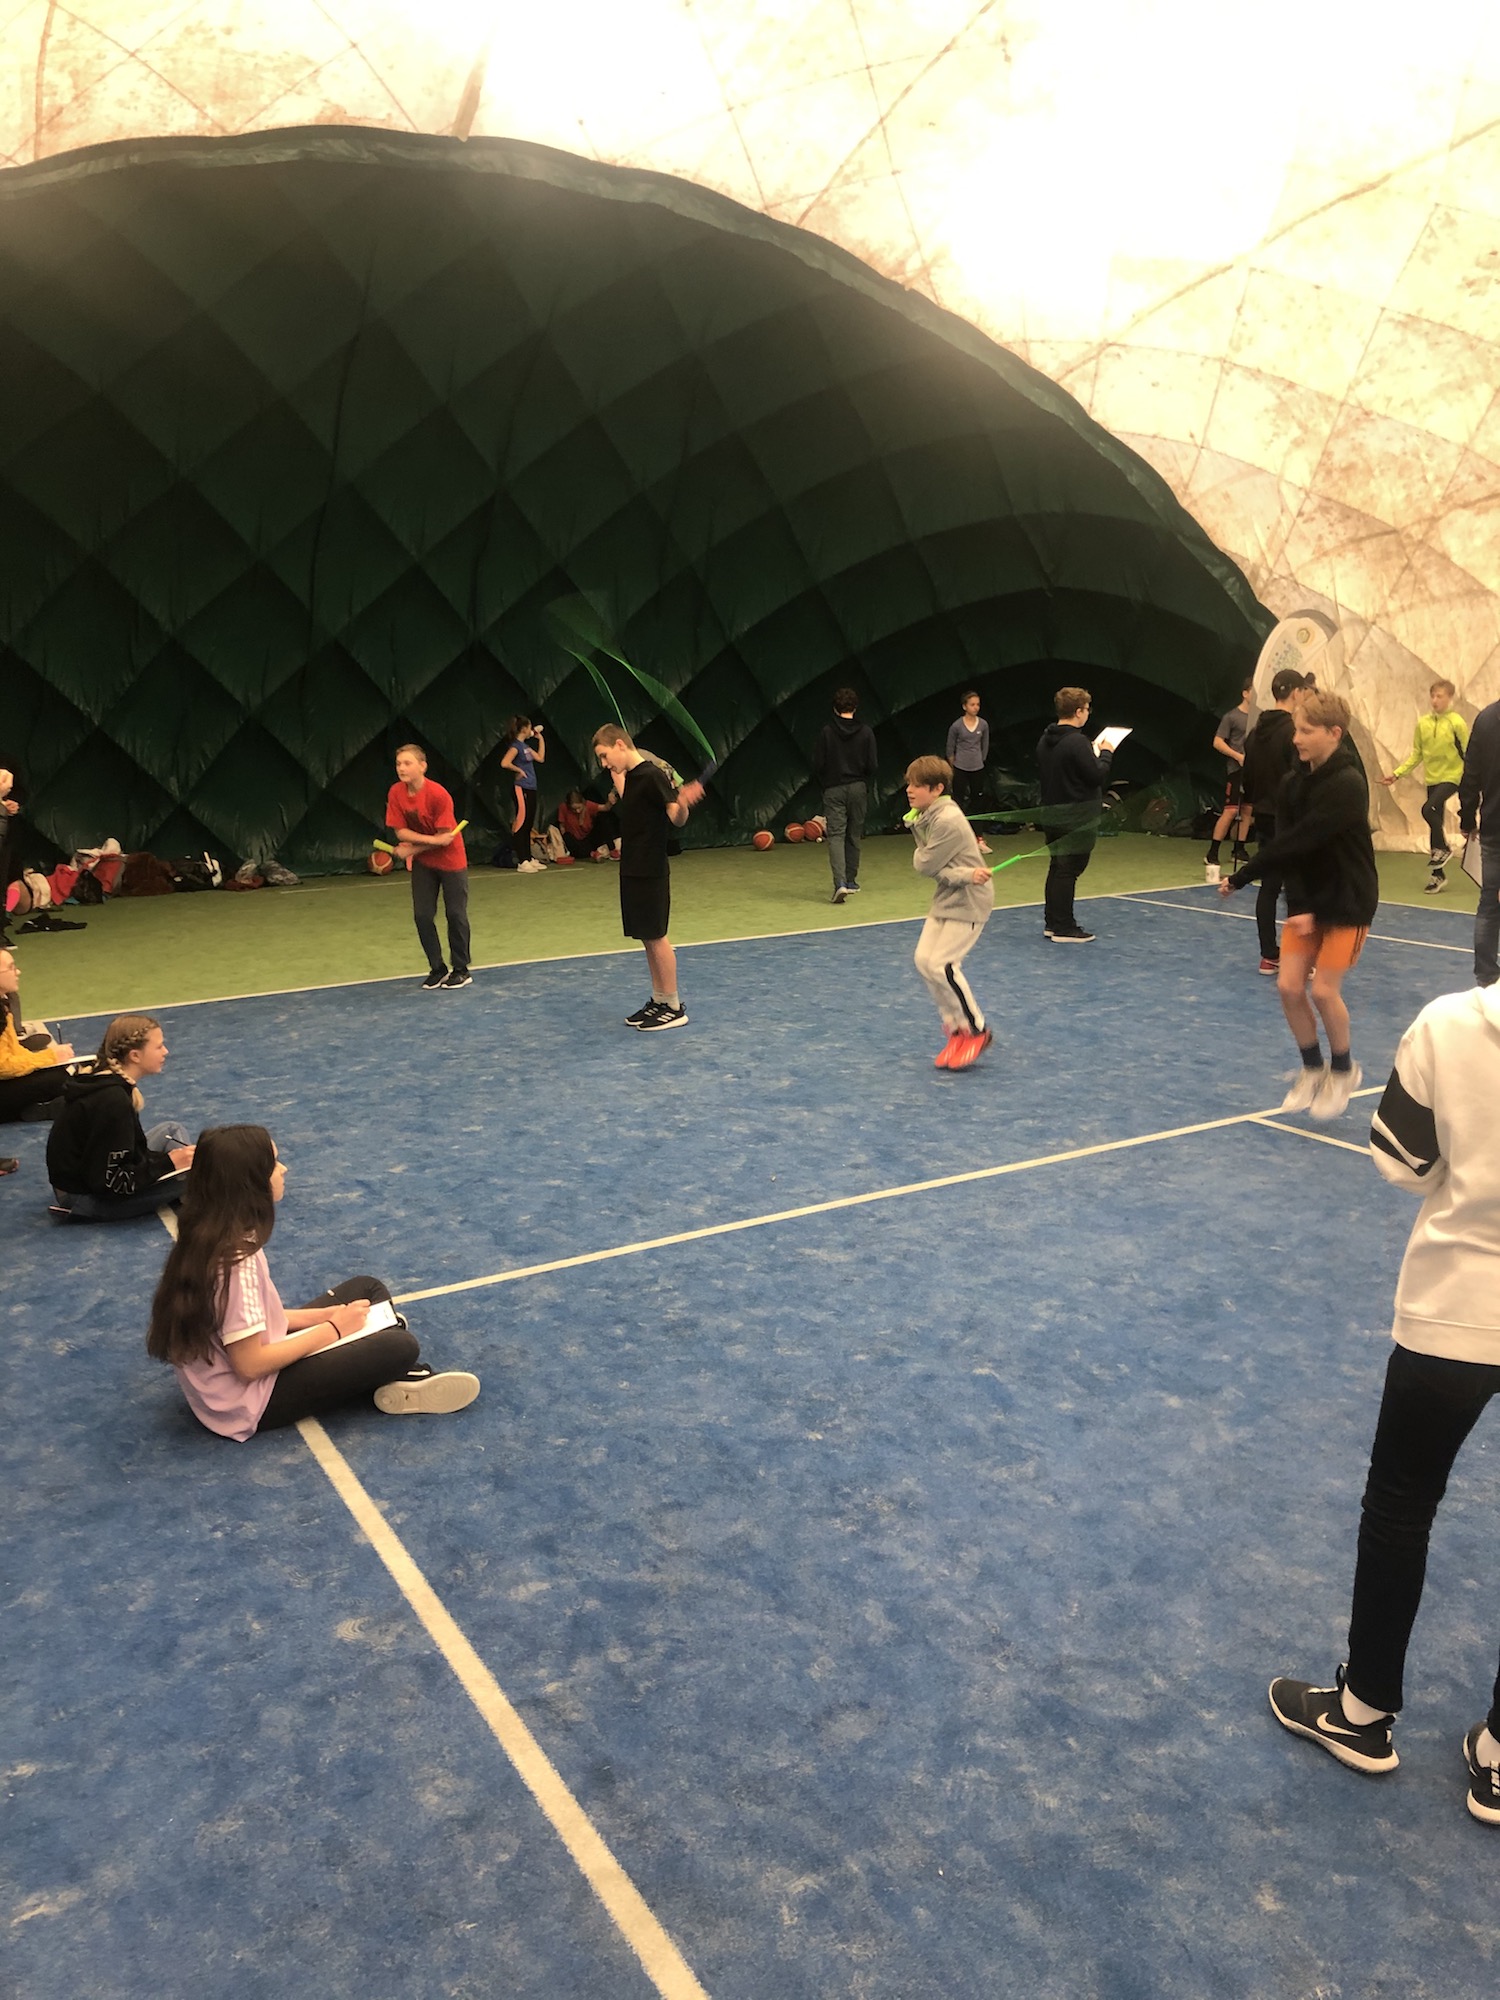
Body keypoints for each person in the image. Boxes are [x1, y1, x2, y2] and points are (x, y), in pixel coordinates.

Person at [1268, 980, 1500, 1823]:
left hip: (1456, 1307)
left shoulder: (1450, 1023)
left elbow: (1404, 1165)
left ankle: (1363, 1711)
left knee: (1401, 1504)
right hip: (1456, 1312)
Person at [145, 1125, 479, 1440]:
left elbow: (256, 1319)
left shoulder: (211, 1235)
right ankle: (397, 1370)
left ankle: (381, 1356)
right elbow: (249, 1365)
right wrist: (334, 1330)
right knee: (401, 1347)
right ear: (250, 1184)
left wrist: (325, 1316)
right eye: (274, 1164)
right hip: (249, 1403)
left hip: (224, 1391)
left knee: (368, 1288)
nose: (284, 1170)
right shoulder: (236, 1264)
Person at [1221, 689, 1378, 1120]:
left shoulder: (1348, 785)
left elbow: (1302, 841)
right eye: (1297, 730)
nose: (1296, 738)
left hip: (1347, 899)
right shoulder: (1292, 783)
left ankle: (1343, 1071)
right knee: (1289, 987)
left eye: (1307, 731)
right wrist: (1300, 906)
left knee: (1324, 990)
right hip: (1309, 899)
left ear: (1334, 733)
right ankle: (1312, 1069)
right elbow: (1288, 848)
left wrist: (1243, 875)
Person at [591, 723, 703, 1030]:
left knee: (657, 937)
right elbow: (626, 791)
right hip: (632, 868)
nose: (604, 764)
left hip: (651, 868)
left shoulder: (652, 775)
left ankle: (674, 1006)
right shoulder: (632, 777)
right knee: (646, 937)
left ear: (619, 745)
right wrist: (616, 771)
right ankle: (659, 999)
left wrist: (683, 802)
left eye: (604, 756)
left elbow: (676, 818)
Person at [46, 1014, 194, 1219]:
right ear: (135, 1055)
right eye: (159, 1046)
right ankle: (195, 1192)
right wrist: (168, 1163)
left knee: (171, 1130)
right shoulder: (114, 1102)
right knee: (200, 1175)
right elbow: (112, 1184)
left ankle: (190, 1187)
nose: (166, 1051)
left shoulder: (103, 1078)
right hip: (88, 1198)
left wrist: (172, 1160)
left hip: (80, 1180)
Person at [905, 756, 994, 1068]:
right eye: (909, 784)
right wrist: (963, 874)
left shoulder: (947, 821)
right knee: (923, 961)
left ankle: (978, 1030)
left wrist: (963, 876)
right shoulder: (925, 815)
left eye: (917, 785)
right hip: (949, 893)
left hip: (970, 899)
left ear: (937, 789)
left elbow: (925, 864)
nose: (910, 790)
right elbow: (933, 867)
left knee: (942, 965)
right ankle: (957, 1029)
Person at [1238, 668, 1309, 973]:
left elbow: (1248, 779)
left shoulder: (1255, 733)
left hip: (1264, 816)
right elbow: (1300, 776)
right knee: (1300, 887)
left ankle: (1269, 954)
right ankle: (1301, 960)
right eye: (1303, 690)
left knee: (1269, 886)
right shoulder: (1294, 733)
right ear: (1296, 692)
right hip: (1290, 820)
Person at [386, 744, 471, 991]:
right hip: (425, 864)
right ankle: (437, 969)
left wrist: (412, 849)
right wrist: (428, 842)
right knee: (422, 915)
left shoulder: (438, 795)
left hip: (452, 862)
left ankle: (461, 970)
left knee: (455, 914)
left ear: (422, 766)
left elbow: (445, 840)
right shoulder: (396, 792)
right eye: (399, 763)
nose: (401, 768)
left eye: (407, 763)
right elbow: (401, 832)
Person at [1036, 687, 1114, 943]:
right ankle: (1063, 927)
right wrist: (1106, 753)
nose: (1088, 714)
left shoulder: (1045, 739)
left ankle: (1053, 922)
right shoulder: (1077, 742)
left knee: (1058, 867)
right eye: (1087, 709)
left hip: (1052, 814)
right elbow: (1096, 775)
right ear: (1079, 711)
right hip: (1076, 817)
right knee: (1068, 870)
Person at [1379, 679, 1469, 894]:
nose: (1435, 700)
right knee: (1434, 822)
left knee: (1428, 809)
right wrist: (1396, 774)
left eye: (1440, 696)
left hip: (1453, 777)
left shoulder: (1457, 723)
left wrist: (1474, 779)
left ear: (1449, 698)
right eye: (1433, 696)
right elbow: (1417, 754)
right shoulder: (1423, 724)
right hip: (1432, 779)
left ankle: (1444, 848)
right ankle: (1438, 875)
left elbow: (1468, 752)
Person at [812, 688, 878, 904]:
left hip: (833, 789)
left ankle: (839, 883)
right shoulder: (866, 732)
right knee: (854, 834)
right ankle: (851, 881)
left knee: (836, 836)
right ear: (855, 707)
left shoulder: (826, 732)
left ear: (834, 708)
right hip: (858, 788)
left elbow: (818, 764)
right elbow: (872, 765)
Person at [0, 947, 77, 1122]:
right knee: (58, 1079)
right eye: (11, 968)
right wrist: (49, 1057)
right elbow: (3, 1066)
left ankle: (32, 1108)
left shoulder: (3, 1002)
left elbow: (11, 1052)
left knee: (56, 1073)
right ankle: (30, 1110)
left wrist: (47, 1059)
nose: (17, 972)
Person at [1458, 694, 1500, 988]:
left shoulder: (1485, 720)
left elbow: (1470, 777)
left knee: (1489, 901)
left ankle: (1486, 975)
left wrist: (1467, 819)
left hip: (1493, 825)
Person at [1204, 679, 1255, 883]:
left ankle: (1239, 849)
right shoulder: (1231, 717)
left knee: (1247, 810)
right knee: (1231, 810)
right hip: (1235, 771)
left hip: (1252, 772)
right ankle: (1212, 852)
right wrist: (1238, 756)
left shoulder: (1258, 718)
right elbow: (1217, 742)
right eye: (1252, 691)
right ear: (1245, 693)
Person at [945, 692, 992, 852]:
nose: (976, 707)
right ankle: (955, 839)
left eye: (978, 704)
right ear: (964, 706)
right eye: (972, 704)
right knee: (957, 801)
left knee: (977, 802)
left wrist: (980, 760)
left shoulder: (983, 725)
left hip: (977, 768)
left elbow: (985, 745)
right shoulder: (956, 726)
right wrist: (953, 765)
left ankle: (979, 838)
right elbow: (950, 748)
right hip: (960, 768)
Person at [500, 717, 547, 872]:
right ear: (524, 729)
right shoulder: (515, 746)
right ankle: (522, 861)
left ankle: (529, 857)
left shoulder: (525, 746)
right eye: (530, 726)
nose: (531, 729)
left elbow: (540, 758)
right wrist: (518, 770)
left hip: (531, 787)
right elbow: (505, 763)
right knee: (521, 822)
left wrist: (540, 739)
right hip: (521, 788)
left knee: (528, 824)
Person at [557, 788, 617, 862]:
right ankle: (592, 854)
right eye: (573, 809)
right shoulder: (563, 807)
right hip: (575, 842)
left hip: (589, 839)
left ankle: (613, 850)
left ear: (583, 803)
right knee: (567, 836)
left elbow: (605, 808)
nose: (577, 811)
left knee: (603, 819)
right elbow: (562, 827)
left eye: (579, 808)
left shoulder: (588, 805)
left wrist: (610, 802)